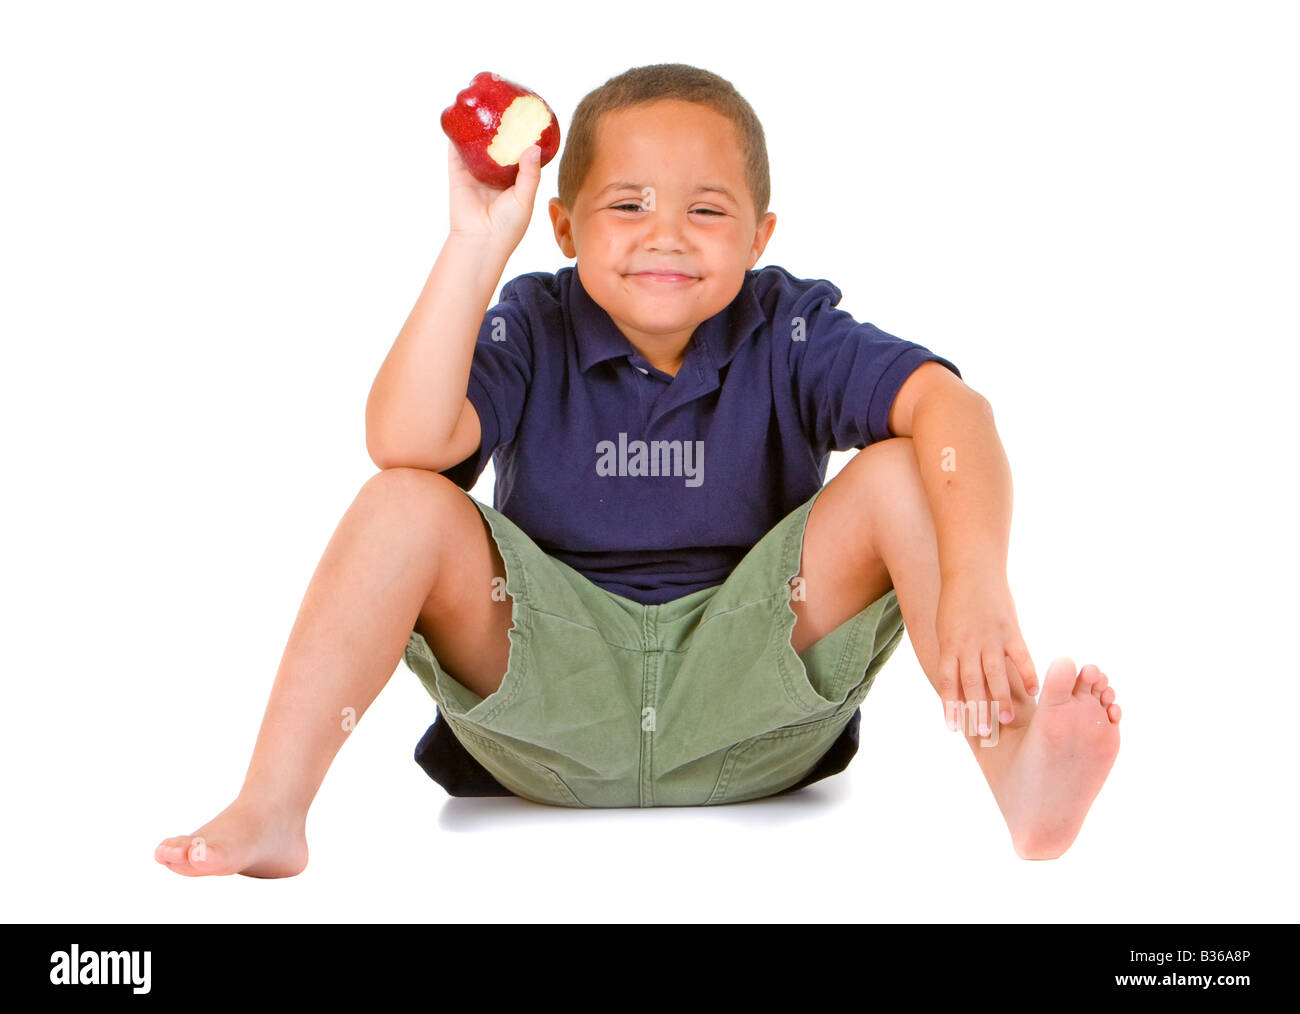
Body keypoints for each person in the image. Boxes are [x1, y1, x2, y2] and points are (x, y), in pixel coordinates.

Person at [155, 63, 1120, 878]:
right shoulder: (533, 321)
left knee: (913, 470)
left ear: (759, 238)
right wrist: (477, 244)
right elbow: (403, 440)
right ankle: (273, 809)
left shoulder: (791, 326)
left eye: (707, 210)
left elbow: (956, 413)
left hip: (749, 693)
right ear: (567, 229)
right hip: (545, 695)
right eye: (628, 206)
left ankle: (1020, 777)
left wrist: (979, 586)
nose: (666, 233)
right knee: (402, 501)